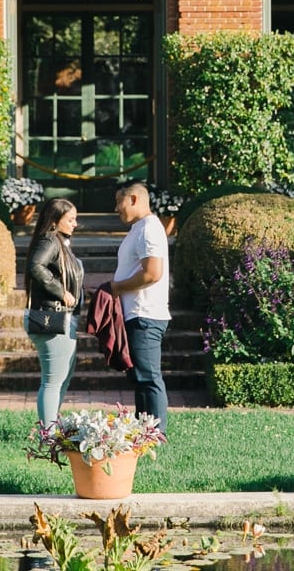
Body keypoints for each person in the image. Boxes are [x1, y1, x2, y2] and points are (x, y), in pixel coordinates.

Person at [109, 181, 171, 431]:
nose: (116, 208)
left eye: (119, 201)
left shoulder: (149, 229)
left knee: (149, 377)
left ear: (133, 199)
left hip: (145, 315)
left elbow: (152, 273)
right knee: (139, 378)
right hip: (136, 314)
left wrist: (116, 288)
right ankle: (142, 432)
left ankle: (156, 434)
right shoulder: (138, 229)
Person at [23, 197, 84, 424]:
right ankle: (48, 435)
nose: (75, 224)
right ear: (54, 221)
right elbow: (35, 266)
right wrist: (60, 291)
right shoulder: (49, 240)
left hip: (62, 317)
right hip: (51, 316)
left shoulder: (59, 242)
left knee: (61, 379)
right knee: (53, 380)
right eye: (71, 219)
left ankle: (51, 429)